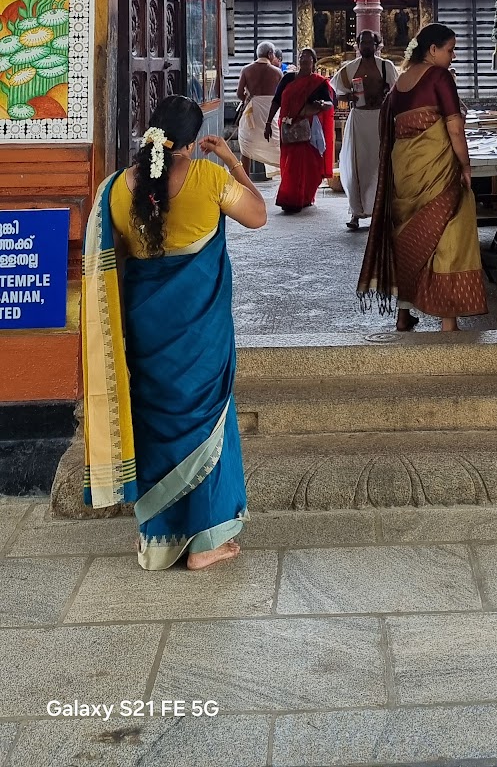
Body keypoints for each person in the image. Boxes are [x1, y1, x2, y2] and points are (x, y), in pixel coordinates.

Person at [81, 95, 266, 571]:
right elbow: (258, 215)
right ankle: (205, 544)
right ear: (190, 141)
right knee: (207, 422)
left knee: (154, 423)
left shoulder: (117, 190)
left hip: (146, 328)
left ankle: (157, 540)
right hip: (199, 326)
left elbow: (113, 261)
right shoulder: (208, 178)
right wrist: (231, 159)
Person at [357, 22, 487, 333]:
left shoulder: (400, 82)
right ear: (432, 50)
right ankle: (448, 319)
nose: (453, 56)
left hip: (405, 169)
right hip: (437, 170)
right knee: (449, 235)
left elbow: (386, 128)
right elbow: (454, 127)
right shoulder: (439, 77)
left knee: (407, 237)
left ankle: (404, 316)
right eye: (450, 50)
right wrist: (466, 166)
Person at [333, 31, 398, 231]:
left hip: (380, 118)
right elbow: (337, 93)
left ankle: (384, 212)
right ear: (358, 46)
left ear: (377, 45)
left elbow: (398, 91)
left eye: (370, 42)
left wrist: (387, 94)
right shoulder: (349, 69)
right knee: (357, 166)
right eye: (363, 42)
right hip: (359, 120)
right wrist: (350, 97)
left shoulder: (387, 67)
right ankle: (356, 212)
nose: (367, 46)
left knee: (381, 165)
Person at [265, 47, 335, 213]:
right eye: (301, 57)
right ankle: (288, 198)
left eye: (308, 59)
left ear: (313, 63)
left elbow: (330, 103)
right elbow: (276, 101)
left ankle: (304, 197)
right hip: (288, 126)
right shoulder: (288, 78)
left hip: (308, 129)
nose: (304, 60)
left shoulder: (318, 82)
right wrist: (268, 122)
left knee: (308, 165)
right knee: (289, 163)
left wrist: (322, 105)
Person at [236, 41, 281, 172]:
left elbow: (239, 94)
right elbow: (282, 96)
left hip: (252, 110)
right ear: (270, 54)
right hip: (271, 111)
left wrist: (249, 100)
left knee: (246, 147)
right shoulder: (277, 72)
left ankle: (245, 182)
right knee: (276, 146)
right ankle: (285, 182)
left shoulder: (246, 70)